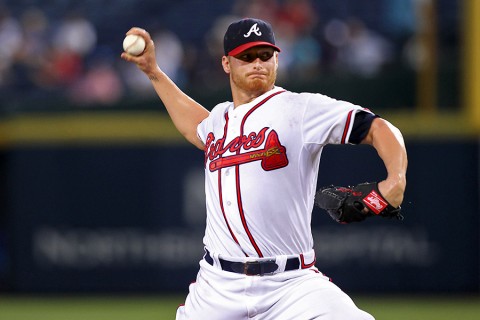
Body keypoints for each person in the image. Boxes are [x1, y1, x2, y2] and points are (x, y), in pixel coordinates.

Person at [121, 18, 407, 320]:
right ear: (226, 63)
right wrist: (154, 73)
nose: (257, 63)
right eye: (246, 56)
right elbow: (196, 128)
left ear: (277, 60)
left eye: (265, 55)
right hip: (217, 286)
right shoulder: (219, 121)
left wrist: (395, 180)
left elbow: (378, 127)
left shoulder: (301, 109)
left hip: (292, 285)